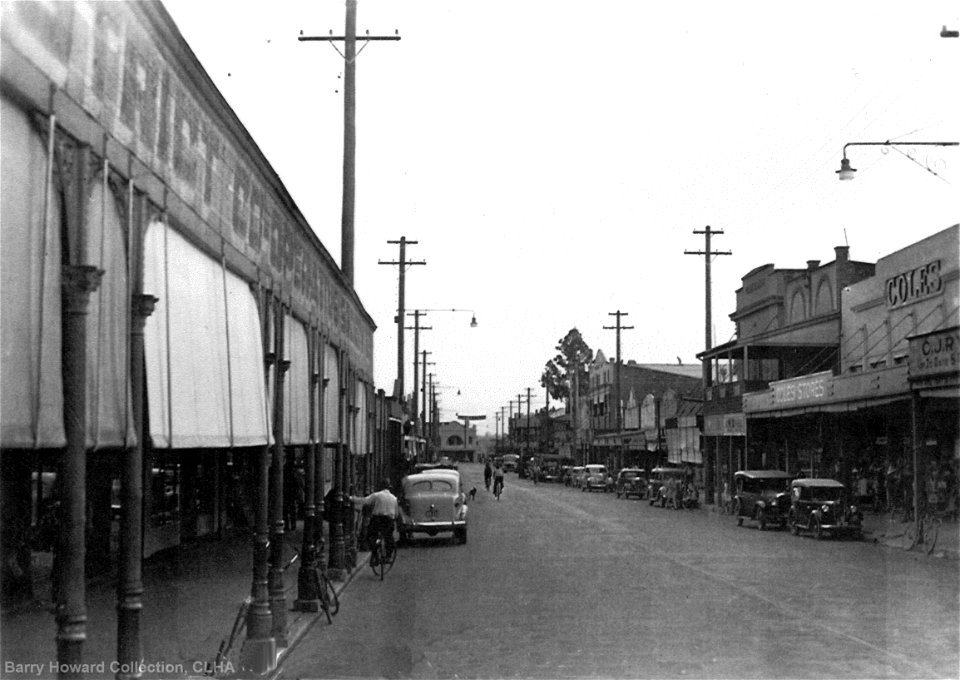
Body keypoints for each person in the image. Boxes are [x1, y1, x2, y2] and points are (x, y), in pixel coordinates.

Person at [350, 479, 399, 566]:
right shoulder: (394, 498)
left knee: (371, 535)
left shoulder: (377, 495)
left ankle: (375, 554)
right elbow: (396, 514)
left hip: (377, 519)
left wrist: (351, 498)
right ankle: (388, 556)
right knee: (389, 537)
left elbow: (364, 501)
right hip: (388, 520)